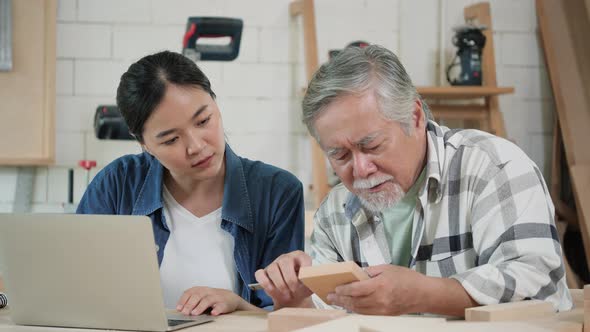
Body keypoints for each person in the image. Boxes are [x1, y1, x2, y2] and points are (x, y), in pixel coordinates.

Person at [254, 45, 572, 316]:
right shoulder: (334, 214)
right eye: (340, 155)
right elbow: (328, 316)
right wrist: (298, 300)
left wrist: (426, 294)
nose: (360, 168)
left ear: (415, 118)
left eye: (372, 145)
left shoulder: (493, 167)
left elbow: (539, 288)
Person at [77, 51, 304, 316]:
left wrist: (237, 304)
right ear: (144, 144)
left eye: (203, 121)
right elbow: (79, 288)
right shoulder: (117, 184)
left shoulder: (277, 192)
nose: (196, 147)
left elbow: (287, 314)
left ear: (215, 103)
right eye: (171, 139)